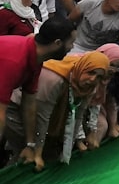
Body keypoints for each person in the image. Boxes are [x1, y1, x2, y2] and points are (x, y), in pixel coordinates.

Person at [0, 17, 76, 170]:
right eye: (71, 42)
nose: (72, 47)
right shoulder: (15, 60)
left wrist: (30, 145)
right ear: (57, 43)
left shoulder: (36, 59)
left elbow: (29, 103)